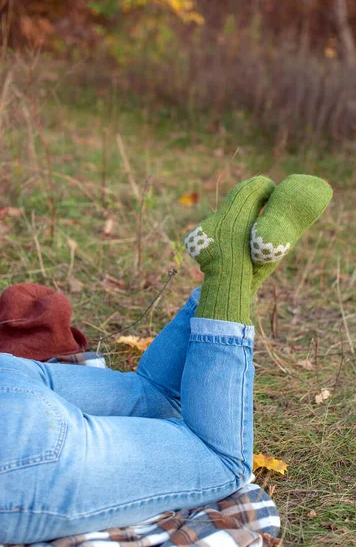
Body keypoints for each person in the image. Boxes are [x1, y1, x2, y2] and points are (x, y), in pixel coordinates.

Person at [0, 175, 332, 544]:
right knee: (149, 393)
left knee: (220, 460)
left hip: (18, 455)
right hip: (9, 378)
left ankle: (227, 272)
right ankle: (232, 275)